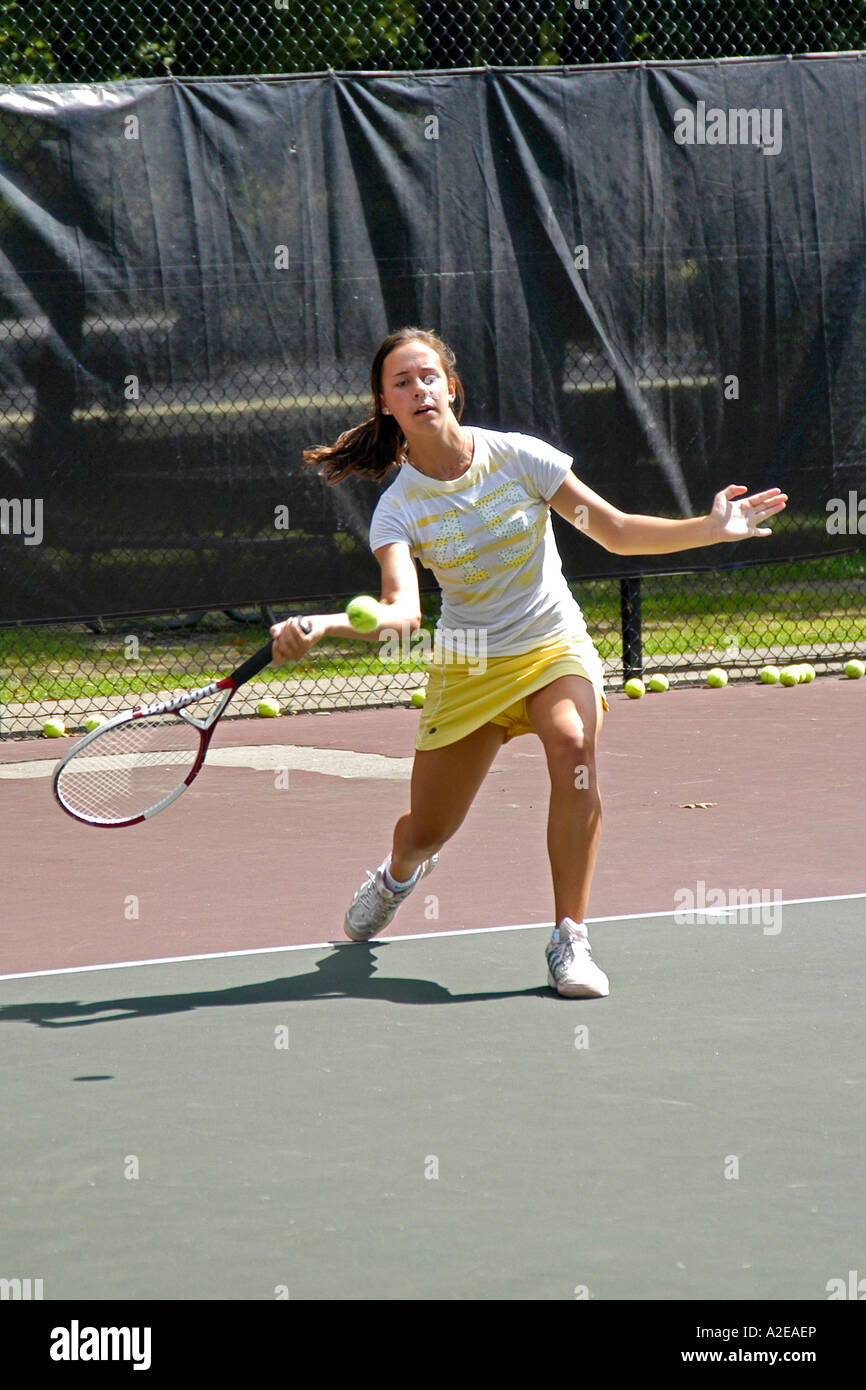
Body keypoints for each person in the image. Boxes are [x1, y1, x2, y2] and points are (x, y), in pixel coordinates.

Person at [270, 328, 786, 998]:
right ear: (386, 405)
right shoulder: (397, 508)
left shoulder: (519, 459)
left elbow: (615, 531)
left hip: (551, 642)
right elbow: (401, 613)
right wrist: (326, 625)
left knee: (573, 743)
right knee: (426, 831)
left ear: (450, 388)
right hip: (468, 664)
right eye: (402, 382)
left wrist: (710, 529)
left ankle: (569, 936)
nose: (419, 388)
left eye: (428, 375)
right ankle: (399, 873)